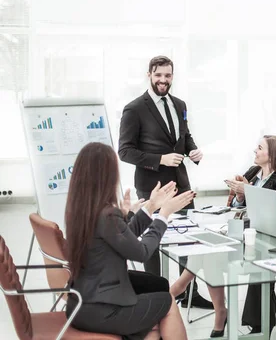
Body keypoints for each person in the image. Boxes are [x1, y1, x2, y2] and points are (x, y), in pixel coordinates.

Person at [64, 142, 193, 340]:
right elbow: (141, 252)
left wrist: (149, 207)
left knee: (157, 287)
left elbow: (123, 239)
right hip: (102, 309)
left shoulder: (82, 210)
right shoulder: (106, 214)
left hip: (81, 302)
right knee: (167, 302)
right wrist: (164, 215)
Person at [169, 135, 276, 337]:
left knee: (208, 252)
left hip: (262, 241)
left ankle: (183, 287)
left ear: (272, 154)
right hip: (240, 234)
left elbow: (274, 212)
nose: (255, 150)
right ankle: (216, 308)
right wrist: (240, 196)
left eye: (259, 147)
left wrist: (247, 191)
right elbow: (236, 208)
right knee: (207, 249)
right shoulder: (253, 172)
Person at [118, 55, 211, 308]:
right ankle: (154, 297)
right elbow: (124, 151)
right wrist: (160, 159)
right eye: (158, 75)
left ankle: (188, 294)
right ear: (149, 74)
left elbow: (185, 135)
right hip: (152, 188)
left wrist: (193, 151)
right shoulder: (134, 108)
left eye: (168, 76)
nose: (163, 80)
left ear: (173, 76)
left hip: (181, 183)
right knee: (153, 244)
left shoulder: (180, 104)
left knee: (188, 239)